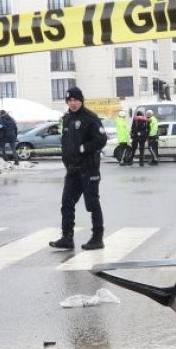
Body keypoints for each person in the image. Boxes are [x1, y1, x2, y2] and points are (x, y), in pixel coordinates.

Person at [50, 86, 108, 251]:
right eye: (70, 100)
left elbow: (101, 139)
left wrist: (84, 148)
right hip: (73, 169)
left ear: (81, 100)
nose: (73, 103)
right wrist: (66, 160)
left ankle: (97, 237)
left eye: (75, 100)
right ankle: (67, 237)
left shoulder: (90, 118)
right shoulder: (67, 118)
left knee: (92, 203)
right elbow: (66, 141)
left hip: (88, 168)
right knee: (66, 203)